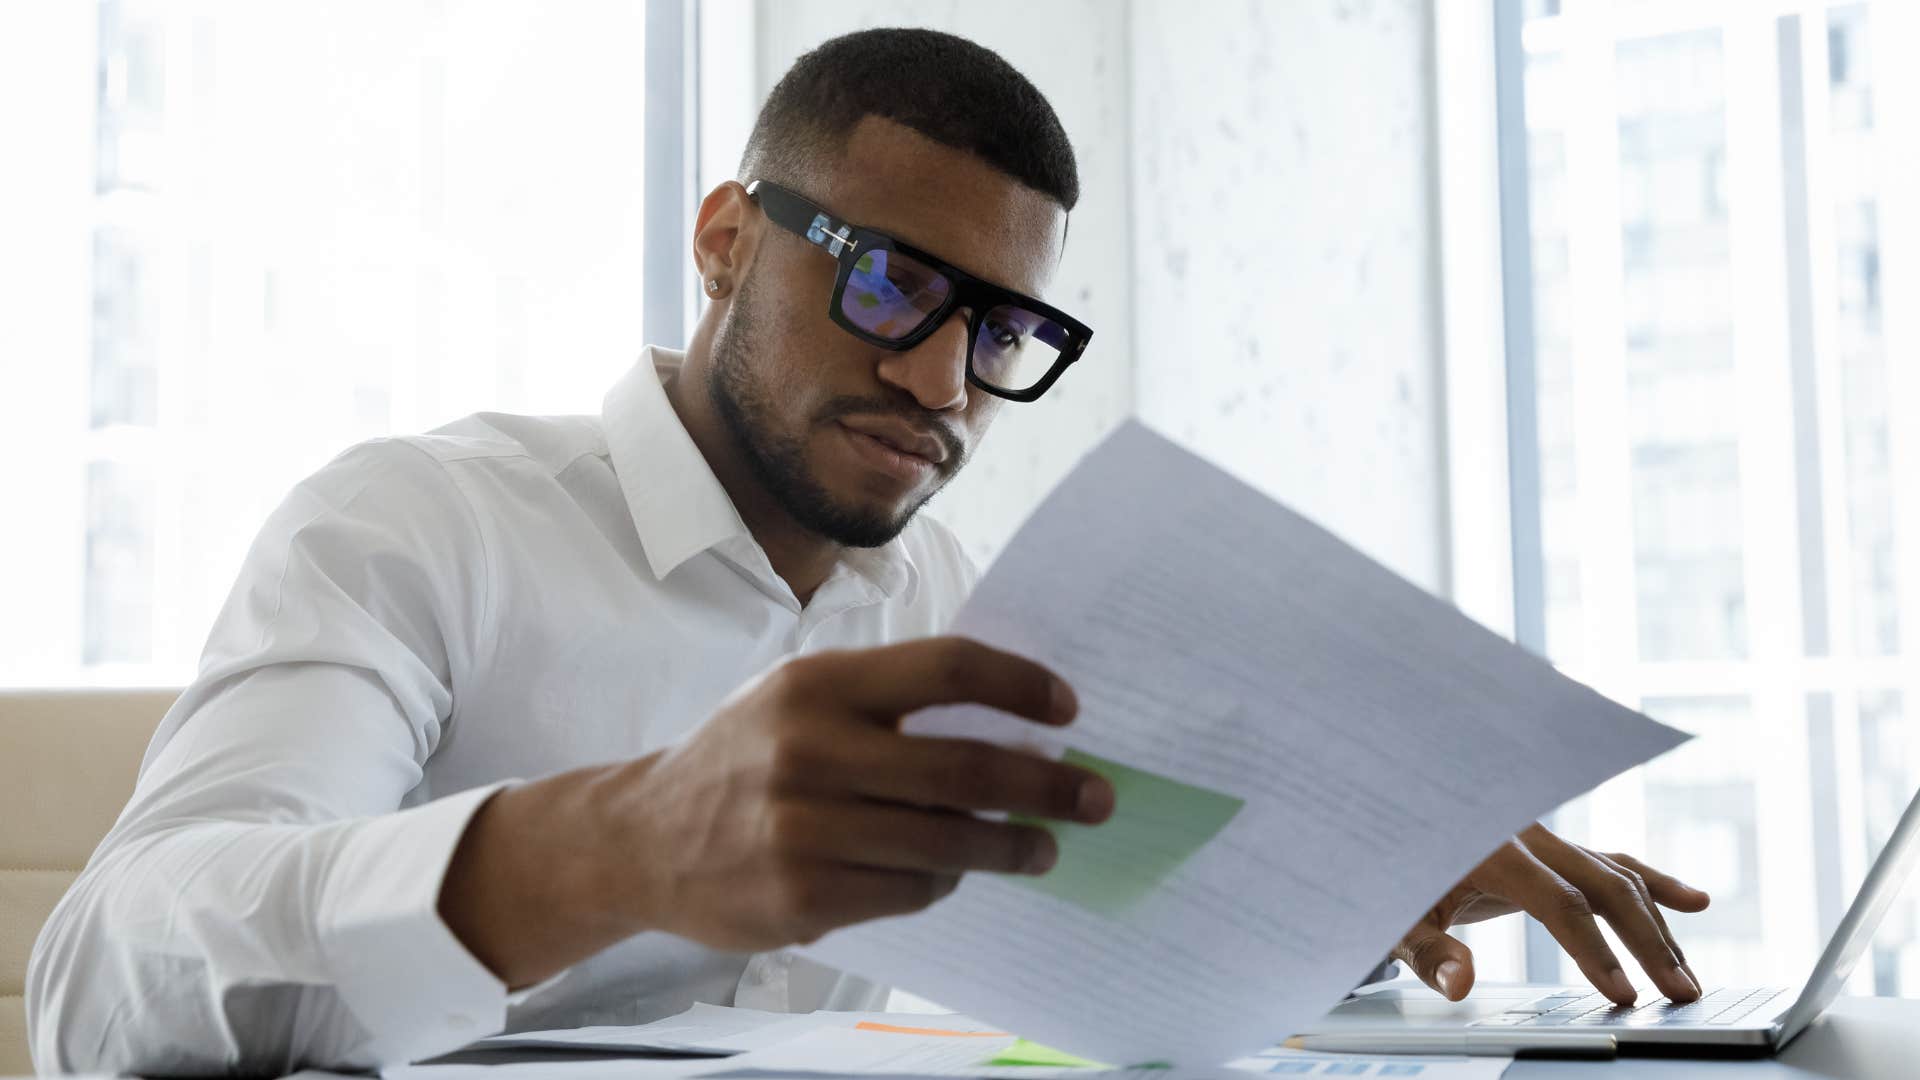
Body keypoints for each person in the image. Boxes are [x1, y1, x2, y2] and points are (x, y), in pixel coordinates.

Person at [26, 27, 1710, 1076]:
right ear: (724, 241)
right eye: (893, 283)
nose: (940, 379)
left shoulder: (962, 604)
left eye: (1001, 330)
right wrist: (619, 843)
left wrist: (1346, 882)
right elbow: (101, 989)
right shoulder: (415, 527)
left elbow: (1093, 923)